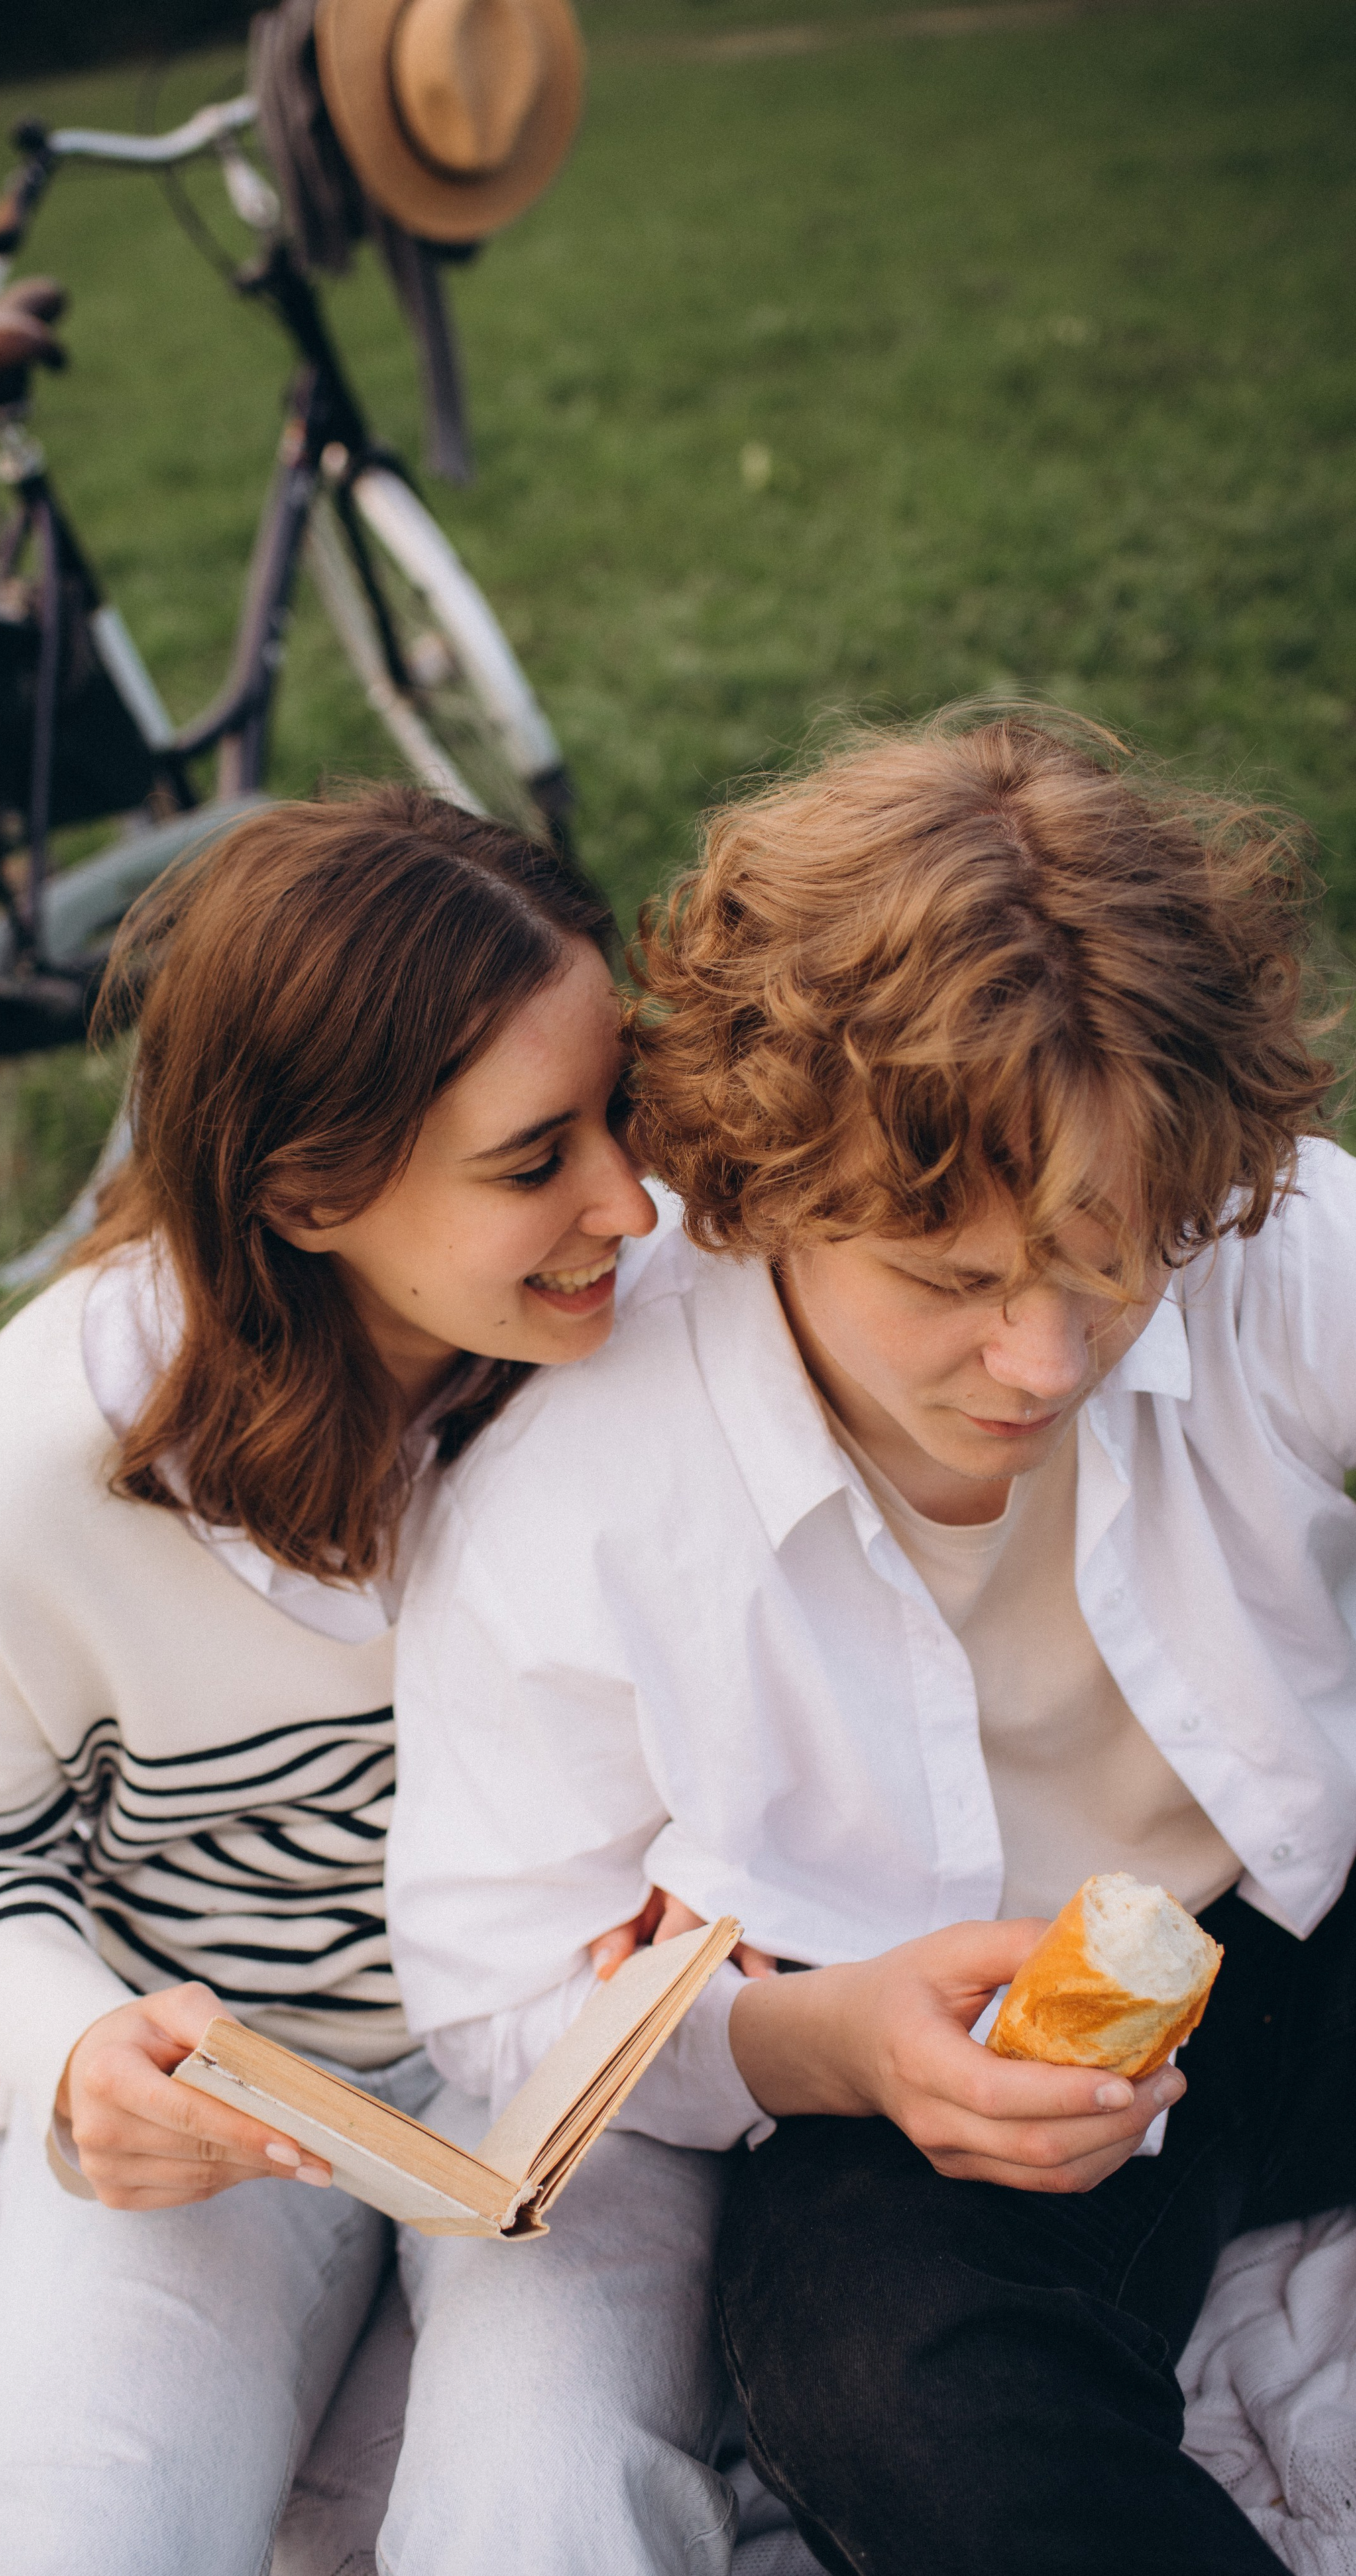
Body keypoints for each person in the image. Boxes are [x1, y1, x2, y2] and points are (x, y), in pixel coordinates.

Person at [386, 708, 1356, 2576]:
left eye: (1107, 1262)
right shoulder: (576, 1503)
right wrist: (824, 2046)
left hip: (1310, 1915)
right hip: (938, 2067)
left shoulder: (1261, 1233)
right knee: (879, 2389)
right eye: (952, 1283)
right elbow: (503, 2002)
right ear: (761, 1200)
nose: (1047, 1363)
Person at [0, 786, 748, 2576]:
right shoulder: (30, 1471)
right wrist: (86, 2052)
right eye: (533, 1161)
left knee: (558, 2514)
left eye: (619, 1120)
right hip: (231, 2085)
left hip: (561, 2091)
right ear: (311, 1191)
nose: (632, 1207)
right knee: (83, 2524)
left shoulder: (650, 1358)